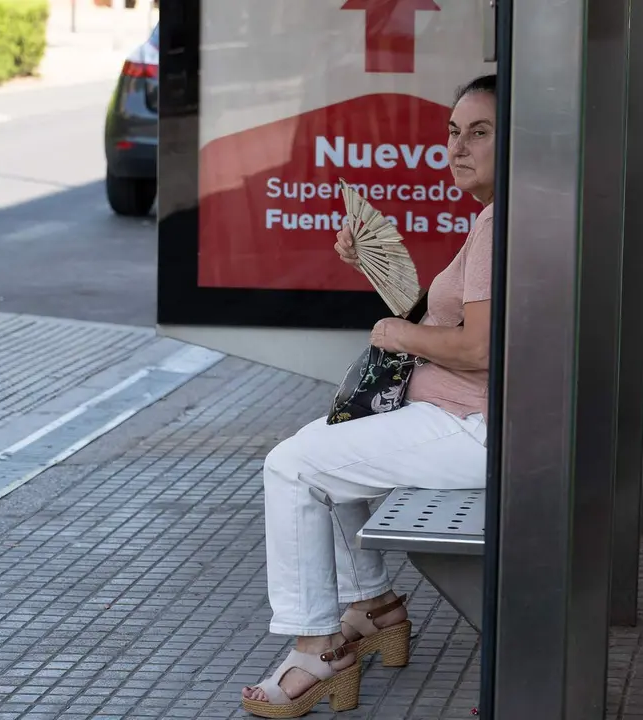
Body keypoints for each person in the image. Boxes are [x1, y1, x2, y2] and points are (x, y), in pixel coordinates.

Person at [240, 73, 497, 718]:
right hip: (460, 413)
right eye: (452, 133)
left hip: (474, 425)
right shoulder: (497, 218)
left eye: (481, 133)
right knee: (315, 450)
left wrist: (394, 331)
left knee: (291, 465)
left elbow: (478, 350)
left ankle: (317, 651)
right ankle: (373, 607)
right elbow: (449, 327)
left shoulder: (501, 224)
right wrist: (379, 281)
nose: (458, 148)